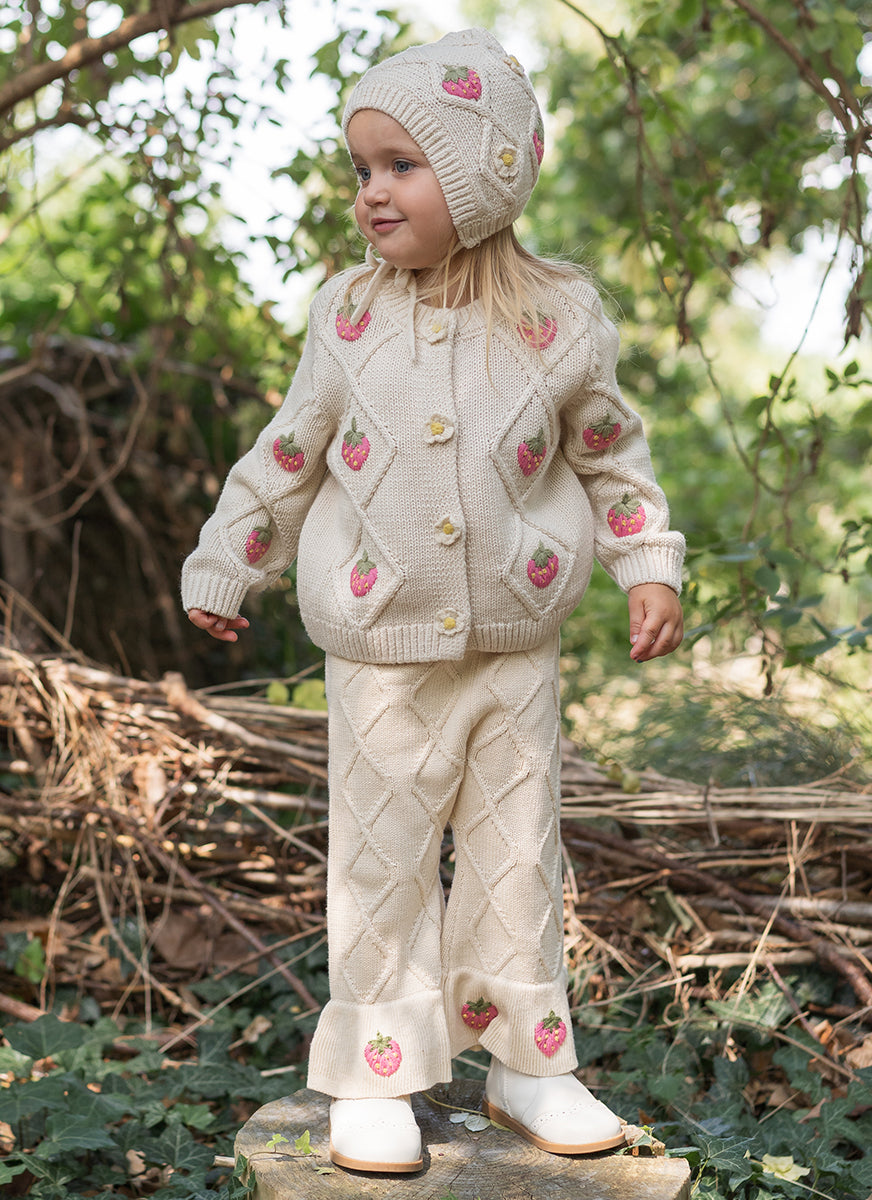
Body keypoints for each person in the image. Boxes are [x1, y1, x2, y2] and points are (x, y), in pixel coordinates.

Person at [182, 27, 685, 1174]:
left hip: (516, 643)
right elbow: (291, 453)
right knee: (381, 861)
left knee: (518, 855)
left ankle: (527, 1063)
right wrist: (230, 559)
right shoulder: (347, 317)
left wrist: (647, 561)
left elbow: (610, 453)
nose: (371, 191)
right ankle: (377, 1072)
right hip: (380, 645)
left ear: (483, 178)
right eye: (361, 167)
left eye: (401, 165)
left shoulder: (560, 316)